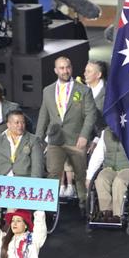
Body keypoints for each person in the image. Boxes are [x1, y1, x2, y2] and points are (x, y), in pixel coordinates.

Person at [35, 57, 97, 209]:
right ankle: (49, 206)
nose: (65, 71)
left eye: (67, 67)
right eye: (61, 68)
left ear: (71, 68)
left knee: (80, 174)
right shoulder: (48, 91)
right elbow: (44, 115)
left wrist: (84, 135)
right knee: (53, 172)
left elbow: (91, 114)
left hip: (76, 139)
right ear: (56, 70)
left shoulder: (83, 90)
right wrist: (38, 138)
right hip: (55, 140)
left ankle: (84, 202)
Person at [86, 127, 129, 223]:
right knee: (101, 179)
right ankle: (106, 211)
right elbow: (97, 156)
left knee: (119, 181)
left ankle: (118, 215)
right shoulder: (106, 133)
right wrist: (89, 177)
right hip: (110, 167)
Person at [0, 110, 44, 178]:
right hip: (2, 179)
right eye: (17, 123)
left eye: (23, 122)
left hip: (24, 181)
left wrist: (34, 184)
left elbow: (37, 166)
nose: (20, 126)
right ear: (8, 124)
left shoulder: (33, 140)